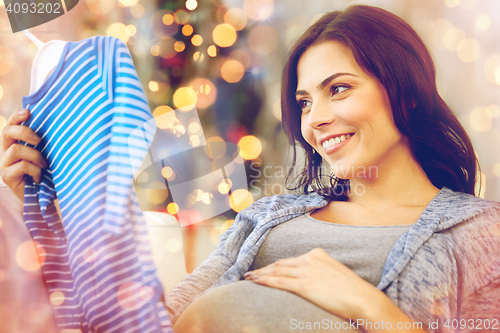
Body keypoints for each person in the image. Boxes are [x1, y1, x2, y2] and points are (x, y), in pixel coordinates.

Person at [165, 5, 500, 333]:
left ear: (407, 91)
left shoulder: (481, 230)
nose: (315, 119)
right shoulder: (266, 214)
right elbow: (165, 315)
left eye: (339, 89)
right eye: (304, 103)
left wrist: (366, 304)